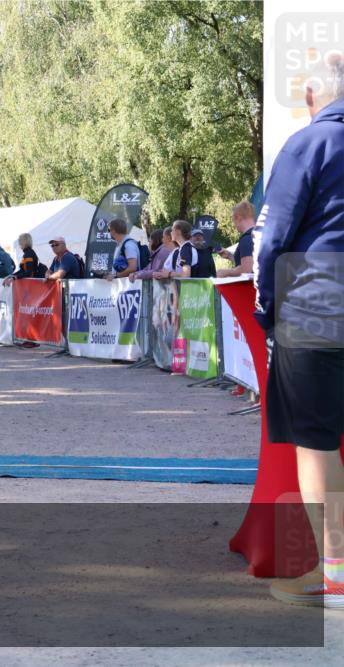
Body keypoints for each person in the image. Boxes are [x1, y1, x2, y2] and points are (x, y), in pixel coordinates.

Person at [255, 53, 344, 608]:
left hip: (316, 302)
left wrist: (267, 303)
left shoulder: (308, 143)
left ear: (312, 97)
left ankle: (335, 573)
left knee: (316, 444)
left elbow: (272, 237)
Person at [217, 201, 256, 277]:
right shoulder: (259, 234)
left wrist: (226, 272)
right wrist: (230, 256)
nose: (234, 225)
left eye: (233, 220)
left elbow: (247, 269)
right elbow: (251, 262)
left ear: (238, 218)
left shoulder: (247, 238)